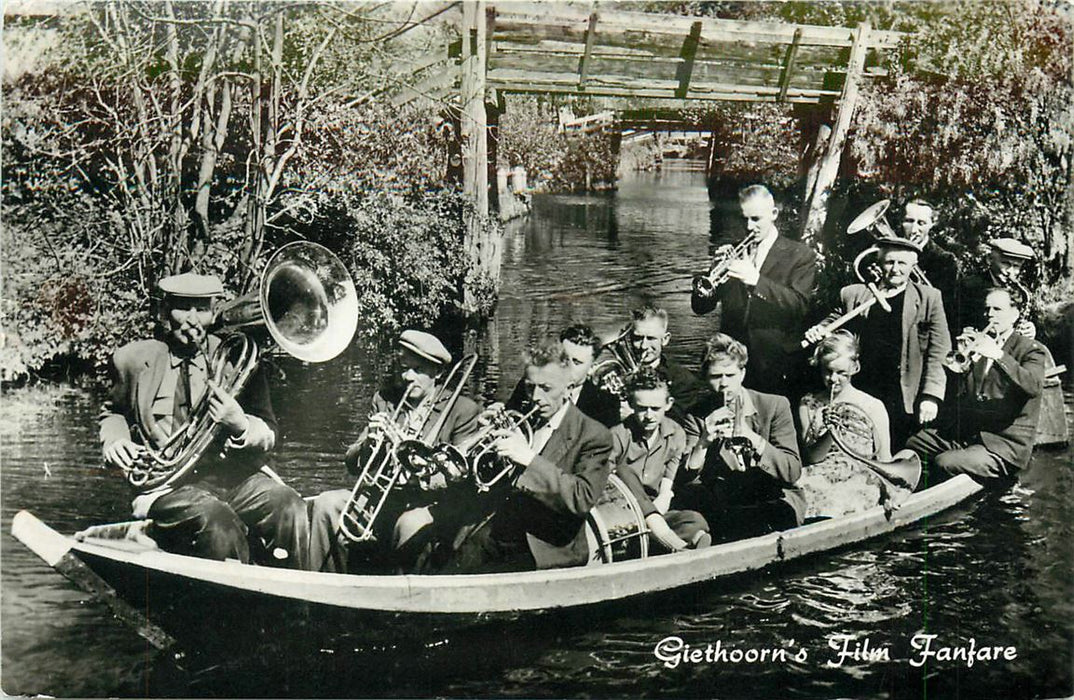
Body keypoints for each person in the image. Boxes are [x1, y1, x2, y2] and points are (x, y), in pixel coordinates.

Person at [99, 273, 308, 568]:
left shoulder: (239, 358)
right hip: (168, 486)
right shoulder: (132, 359)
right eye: (183, 307)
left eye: (202, 309)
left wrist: (242, 425)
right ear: (163, 313)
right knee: (217, 519)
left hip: (233, 477)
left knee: (288, 503)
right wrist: (115, 441)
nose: (193, 319)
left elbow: (269, 431)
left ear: (213, 313)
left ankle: (297, 596)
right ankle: (231, 601)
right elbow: (114, 412)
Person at [307, 329, 481, 573]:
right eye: (404, 368)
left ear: (437, 373)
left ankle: (401, 601)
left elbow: (461, 479)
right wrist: (370, 442)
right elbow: (352, 463)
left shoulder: (462, 410)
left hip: (429, 505)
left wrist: (419, 470)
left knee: (409, 524)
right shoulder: (385, 400)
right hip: (385, 499)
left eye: (418, 370)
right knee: (327, 504)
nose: (408, 377)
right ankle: (321, 591)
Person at [439, 339, 613, 573]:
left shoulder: (593, 435)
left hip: (545, 546)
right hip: (496, 526)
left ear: (569, 388)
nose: (536, 397)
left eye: (546, 388)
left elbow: (581, 498)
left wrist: (529, 458)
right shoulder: (523, 419)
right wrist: (484, 440)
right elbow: (487, 481)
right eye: (530, 387)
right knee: (440, 564)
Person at [805, 237, 951, 449]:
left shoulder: (929, 298)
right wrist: (819, 330)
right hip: (862, 384)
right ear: (880, 263)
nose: (895, 269)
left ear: (913, 266)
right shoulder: (854, 294)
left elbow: (940, 350)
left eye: (902, 263)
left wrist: (931, 396)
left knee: (896, 446)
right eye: (889, 262)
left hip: (902, 390)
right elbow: (833, 322)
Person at [906, 287, 1047, 484]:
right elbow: (968, 395)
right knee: (914, 443)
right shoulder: (981, 343)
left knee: (944, 462)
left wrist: (998, 355)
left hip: (1004, 443)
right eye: (987, 309)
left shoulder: (1031, 350)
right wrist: (963, 368)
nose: (990, 315)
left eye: (997, 309)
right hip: (973, 434)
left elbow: (1033, 386)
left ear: (1015, 314)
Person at [672, 333, 805, 541]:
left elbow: (792, 471)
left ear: (742, 374)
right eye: (716, 377)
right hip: (727, 501)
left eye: (730, 375)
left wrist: (752, 438)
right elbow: (684, 480)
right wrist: (704, 442)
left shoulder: (775, 406)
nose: (724, 384)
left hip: (774, 497)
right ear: (706, 378)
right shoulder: (697, 415)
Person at [691, 184, 817, 396]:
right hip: (731, 363)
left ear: (774, 214)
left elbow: (800, 306)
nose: (749, 227)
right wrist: (713, 272)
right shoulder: (731, 253)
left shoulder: (800, 255)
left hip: (775, 363)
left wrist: (756, 280)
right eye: (744, 219)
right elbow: (700, 308)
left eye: (756, 219)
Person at [796, 332, 913, 518]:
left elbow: (884, 458)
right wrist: (829, 432)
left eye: (841, 373)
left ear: (855, 367)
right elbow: (812, 457)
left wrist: (893, 493)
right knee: (795, 494)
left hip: (860, 476)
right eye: (828, 371)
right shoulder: (808, 404)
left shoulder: (872, 405)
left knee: (837, 500)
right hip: (819, 473)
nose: (833, 379)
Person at [609, 367, 709, 552]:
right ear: (631, 404)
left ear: (669, 404)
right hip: (622, 512)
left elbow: (667, 481)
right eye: (642, 409)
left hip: (658, 509)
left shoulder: (675, 433)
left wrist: (664, 497)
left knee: (694, 520)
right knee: (623, 471)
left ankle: (660, 538)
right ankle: (674, 545)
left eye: (655, 409)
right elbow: (609, 483)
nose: (648, 416)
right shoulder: (617, 435)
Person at [507, 324, 620, 428]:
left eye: (577, 362)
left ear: (591, 367)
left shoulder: (605, 404)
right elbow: (512, 414)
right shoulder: (532, 385)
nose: (568, 367)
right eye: (564, 358)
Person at [625, 306, 706, 424]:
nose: (643, 346)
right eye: (638, 338)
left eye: (651, 338)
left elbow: (676, 422)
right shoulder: (619, 373)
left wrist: (632, 415)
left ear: (665, 339)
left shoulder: (683, 380)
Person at [899, 199, 961, 327]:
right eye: (909, 221)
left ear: (931, 224)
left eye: (921, 223)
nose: (914, 229)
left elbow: (947, 309)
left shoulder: (944, 260)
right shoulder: (886, 251)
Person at [959, 238, 1037, 339]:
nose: (1010, 271)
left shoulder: (1021, 292)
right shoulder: (969, 286)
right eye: (1005, 263)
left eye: (1016, 266)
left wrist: (1031, 330)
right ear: (989, 260)